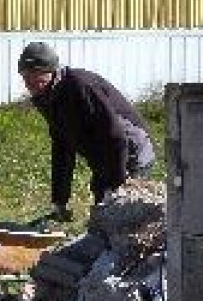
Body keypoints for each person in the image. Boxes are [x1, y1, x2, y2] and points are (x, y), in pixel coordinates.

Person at [17, 41, 155, 220]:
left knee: (121, 214)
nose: (31, 84)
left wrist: (120, 185)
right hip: (102, 152)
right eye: (26, 77)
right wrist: (60, 201)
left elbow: (116, 135)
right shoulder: (44, 97)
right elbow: (62, 148)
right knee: (101, 209)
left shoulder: (81, 85)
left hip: (131, 149)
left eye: (36, 77)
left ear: (51, 72)